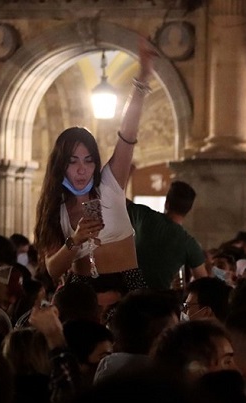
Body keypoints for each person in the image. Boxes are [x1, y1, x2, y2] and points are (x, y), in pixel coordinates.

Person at [34, 40, 156, 295]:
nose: (82, 169)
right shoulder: (55, 208)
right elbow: (52, 269)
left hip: (127, 285)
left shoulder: (109, 185)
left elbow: (127, 136)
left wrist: (142, 80)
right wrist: (75, 240)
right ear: (61, 165)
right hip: (82, 290)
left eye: (89, 160)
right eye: (73, 161)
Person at [127, 180, 207, 290]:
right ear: (188, 210)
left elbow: (118, 200)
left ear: (167, 203)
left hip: (129, 291)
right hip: (159, 299)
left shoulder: (144, 217)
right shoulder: (189, 244)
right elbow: (204, 283)